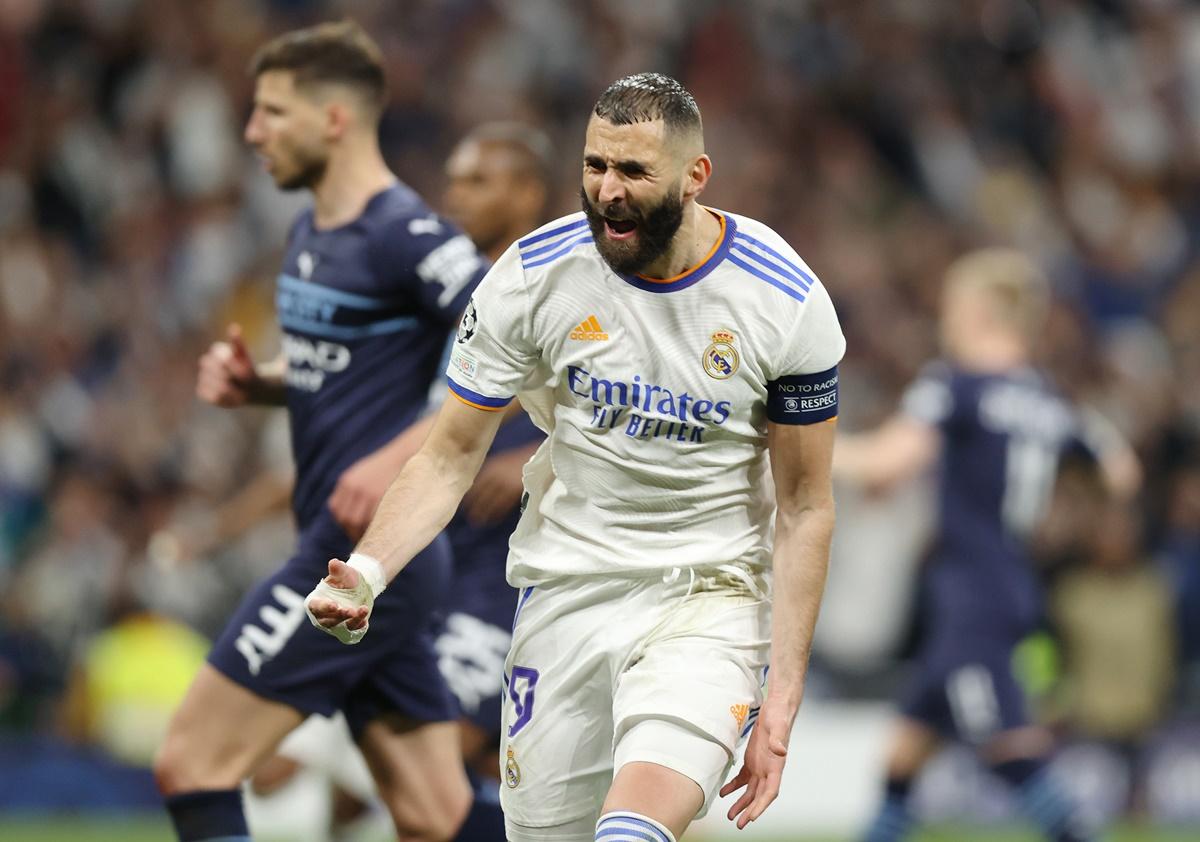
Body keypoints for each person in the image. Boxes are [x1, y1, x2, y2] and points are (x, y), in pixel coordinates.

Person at [306, 72, 846, 842]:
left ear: (696, 178)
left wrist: (783, 698)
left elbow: (805, 507)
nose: (608, 191)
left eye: (633, 171)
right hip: (566, 589)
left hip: (709, 598)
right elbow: (447, 456)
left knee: (631, 829)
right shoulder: (532, 277)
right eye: (595, 166)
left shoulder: (783, 300)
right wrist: (367, 571)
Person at [154, 20, 493, 842]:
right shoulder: (312, 232)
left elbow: (512, 356)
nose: (251, 132)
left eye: (272, 112)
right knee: (435, 814)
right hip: (367, 555)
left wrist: (395, 457)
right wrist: (261, 385)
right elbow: (343, 377)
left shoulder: (402, 234)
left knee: (192, 763)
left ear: (334, 119)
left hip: (361, 555)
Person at [834, 249, 1141, 842]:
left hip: (970, 596)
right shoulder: (1047, 401)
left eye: (952, 306)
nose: (944, 320)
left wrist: (789, 441)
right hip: (1007, 585)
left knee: (1009, 752)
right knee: (903, 755)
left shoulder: (956, 386)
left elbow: (885, 467)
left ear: (982, 313)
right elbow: (1120, 472)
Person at [437, 124, 551, 794]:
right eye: (454, 179)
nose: (454, 195)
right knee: (492, 772)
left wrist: (542, 453)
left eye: (477, 181)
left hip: (522, 571)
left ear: (528, 192)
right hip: (445, 557)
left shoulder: (561, 286)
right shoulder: (450, 294)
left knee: (435, 755)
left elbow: (632, 406)